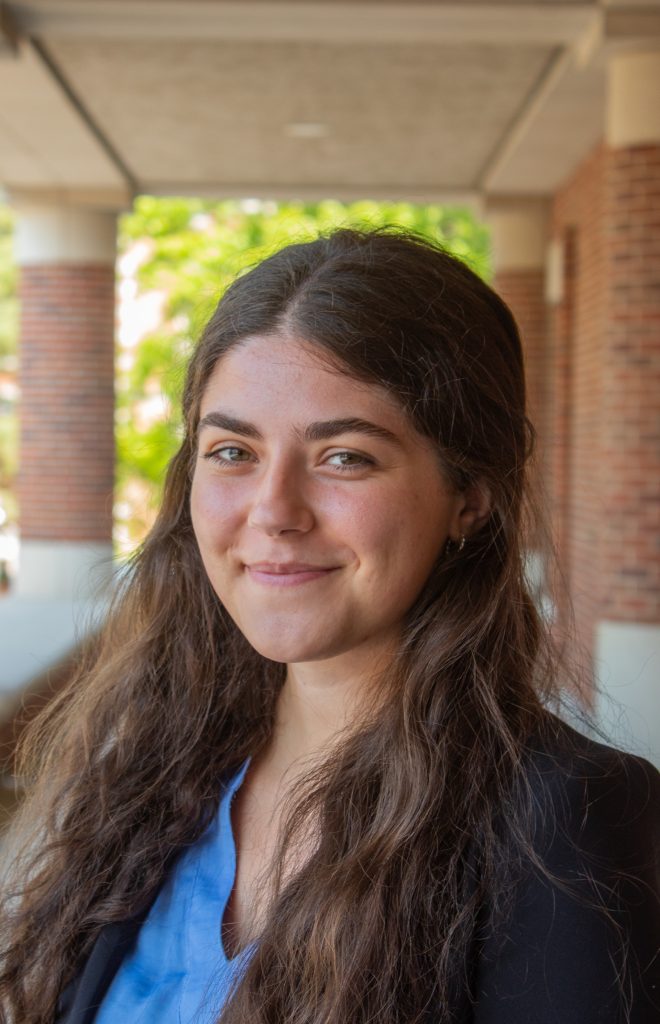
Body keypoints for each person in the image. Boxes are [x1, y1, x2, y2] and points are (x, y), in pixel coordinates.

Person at [0, 228, 658, 1024]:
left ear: (471, 497)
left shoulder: (566, 819)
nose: (273, 512)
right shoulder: (159, 760)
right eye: (233, 450)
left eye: (345, 457)